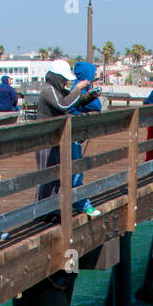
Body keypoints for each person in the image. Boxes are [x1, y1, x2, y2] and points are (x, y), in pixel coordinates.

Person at [34, 59, 93, 211]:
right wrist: (78, 88)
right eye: (64, 78)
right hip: (45, 141)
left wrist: (90, 95)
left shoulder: (57, 90)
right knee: (45, 177)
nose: (66, 80)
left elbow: (74, 101)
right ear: (57, 77)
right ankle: (42, 211)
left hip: (55, 139)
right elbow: (64, 105)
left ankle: (50, 209)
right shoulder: (49, 91)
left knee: (55, 177)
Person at [68, 61, 103, 216]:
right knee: (76, 171)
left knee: (75, 170)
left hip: (76, 135)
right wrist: (91, 95)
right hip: (71, 135)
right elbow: (95, 106)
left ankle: (77, 201)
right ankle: (83, 204)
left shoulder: (80, 88)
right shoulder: (76, 89)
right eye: (93, 73)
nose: (95, 76)